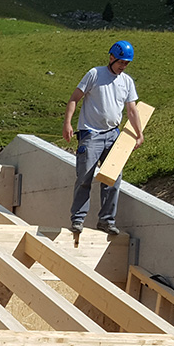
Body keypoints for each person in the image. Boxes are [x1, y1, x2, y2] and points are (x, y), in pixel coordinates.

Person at [62, 40, 144, 236]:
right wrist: (67, 123)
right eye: (121, 62)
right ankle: (78, 219)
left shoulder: (127, 82)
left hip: (113, 134)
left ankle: (106, 221)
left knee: (113, 178)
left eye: (126, 63)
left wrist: (139, 133)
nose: (123, 66)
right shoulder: (95, 74)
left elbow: (132, 110)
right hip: (91, 134)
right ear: (111, 58)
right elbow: (74, 98)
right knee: (85, 176)